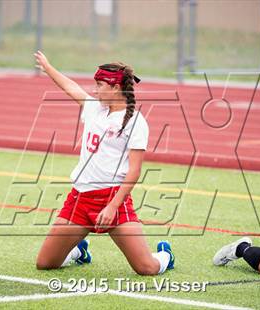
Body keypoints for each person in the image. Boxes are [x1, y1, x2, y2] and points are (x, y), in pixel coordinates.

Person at [34, 51, 174, 275]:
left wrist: (111, 207)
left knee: (146, 268)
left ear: (116, 87)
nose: (95, 89)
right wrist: (49, 68)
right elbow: (71, 87)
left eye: (100, 85)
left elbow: (134, 172)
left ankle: (166, 254)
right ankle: (79, 251)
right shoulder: (94, 109)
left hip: (112, 201)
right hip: (80, 199)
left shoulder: (136, 123)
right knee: (45, 263)